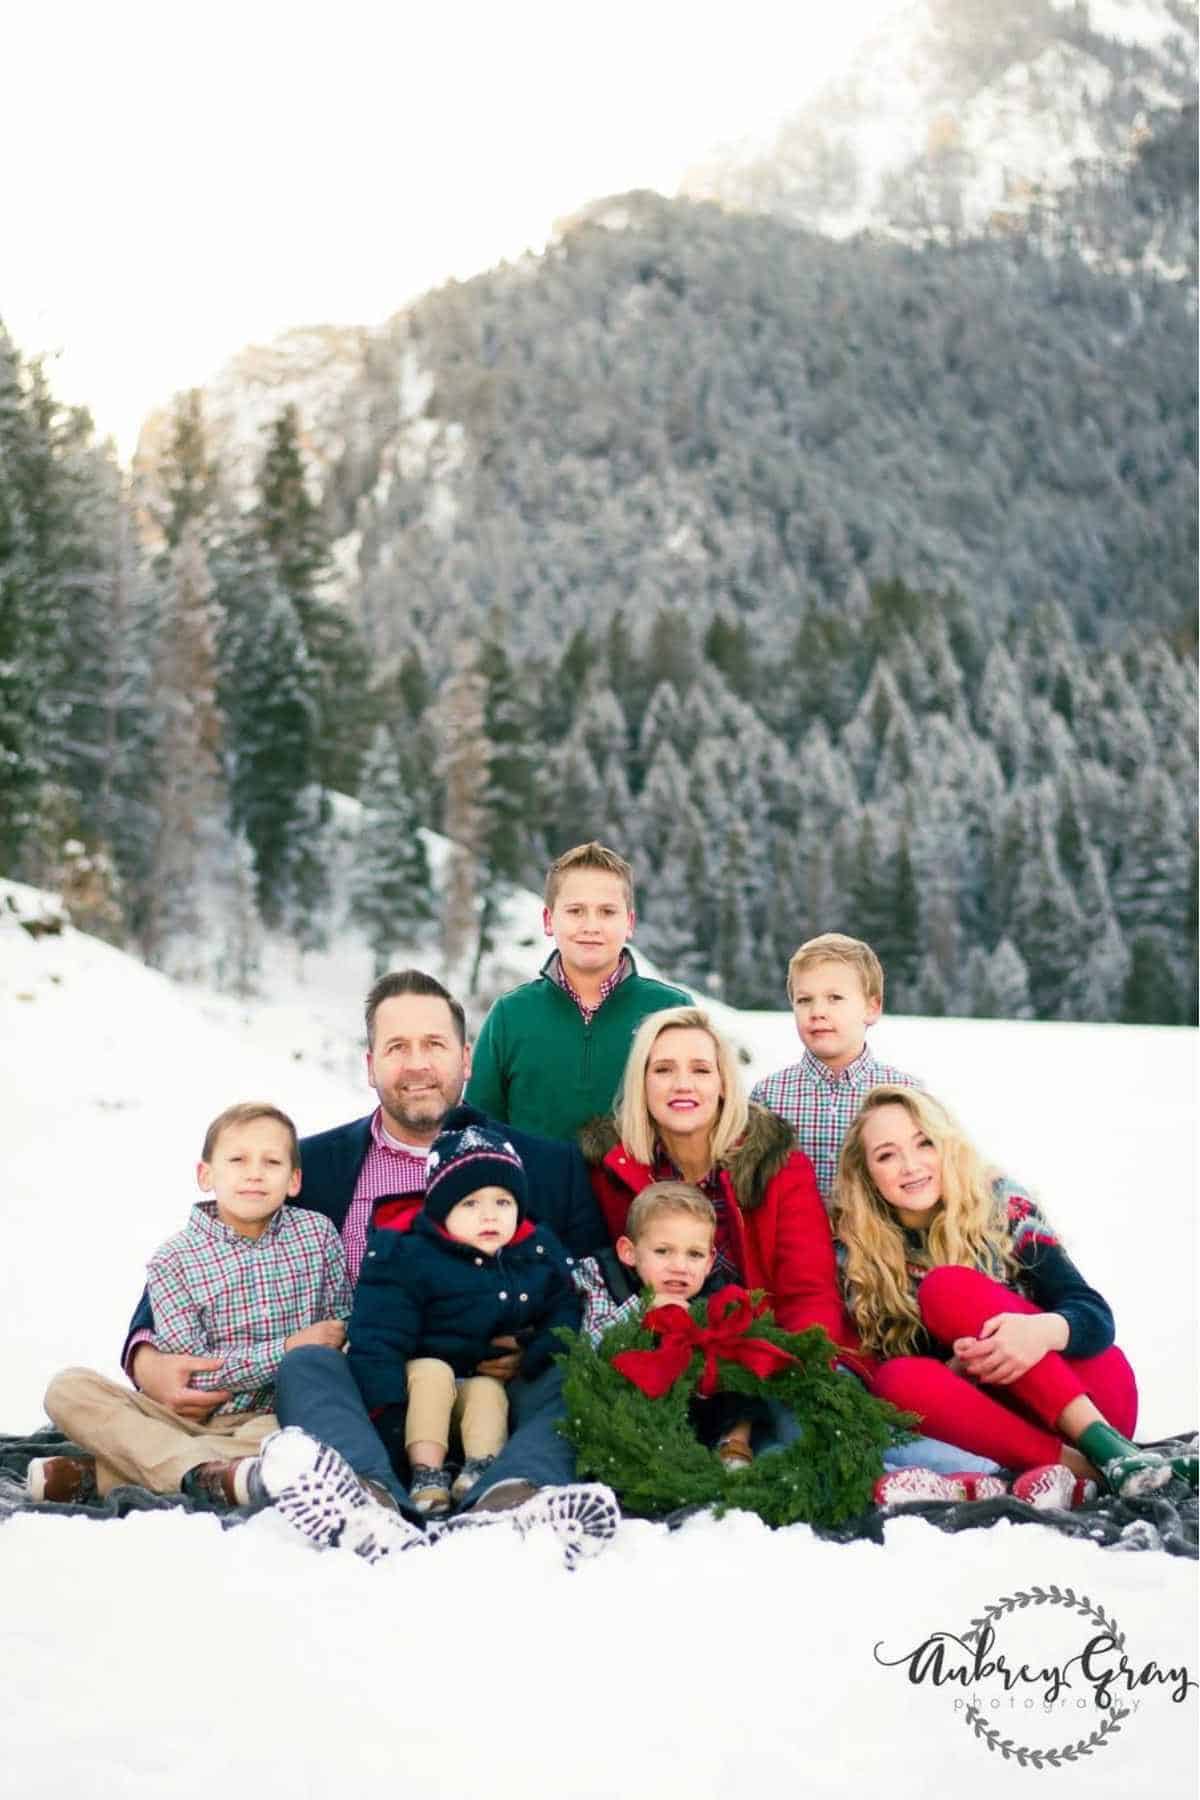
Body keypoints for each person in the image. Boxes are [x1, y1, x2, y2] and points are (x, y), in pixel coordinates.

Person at [119, 971, 613, 1547]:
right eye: (397, 1047)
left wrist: (532, 1340)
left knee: (575, 1372)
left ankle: (512, 1495)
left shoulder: (546, 1166)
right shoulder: (313, 1165)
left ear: (466, 1058)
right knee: (305, 1366)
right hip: (371, 1394)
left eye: (434, 1045)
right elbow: (208, 1249)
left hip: (501, 1394)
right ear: (370, 1063)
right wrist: (146, 1354)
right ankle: (365, 1496)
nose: (418, 1063)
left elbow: (591, 1281)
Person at [833, 1085, 1195, 1508]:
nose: (911, 1166)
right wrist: (957, 1366)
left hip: (1089, 1398)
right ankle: (1093, 1470)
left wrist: (1037, 1332)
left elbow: (1094, 1317)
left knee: (947, 1289)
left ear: (946, 1145)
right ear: (867, 1174)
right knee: (896, 1381)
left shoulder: (1001, 1205)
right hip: (998, 1424)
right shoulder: (858, 1251)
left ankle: (1107, 1449)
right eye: (887, 1155)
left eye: (923, 1143)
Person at [32, 1104, 351, 1509]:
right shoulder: (174, 1261)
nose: (254, 1173)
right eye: (237, 1160)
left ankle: (108, 1473)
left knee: (302, 1440)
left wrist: (317, 1349)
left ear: (293, 1179)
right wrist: (290, 1349)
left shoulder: (317, 1236)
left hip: (276, 1414)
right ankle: (206, 1472)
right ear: (206, 1175)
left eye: (271, 1162)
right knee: (69, 1389)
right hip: (190, 1419)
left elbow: (338, 1326)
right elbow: (196, 1377)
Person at [581, 1004, 870, 1378]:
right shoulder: (615, 1171)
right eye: (663, 1070)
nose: (682, 1084)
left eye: (701, 1070)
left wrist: (797, 1370)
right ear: (642, 1083)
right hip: (661, 1359)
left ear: (722, 1084)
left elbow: (809, 1294)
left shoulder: (777, 1167)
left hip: (773, 1355)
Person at [349, 1110, 581, 1517]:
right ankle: (425, 1472)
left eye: (503, 1202)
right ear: (442, 1210)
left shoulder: (536, 1250)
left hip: (482, 1382)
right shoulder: (406, 1254)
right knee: (432, 1374)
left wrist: (539, 1346)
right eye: (470, 1203)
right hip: (416, 1390)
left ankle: (482, 1472)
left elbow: (564, 1303)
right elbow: (378, 1337)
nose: (490, 1215)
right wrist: (386, 1416)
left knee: (489, 1393)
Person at [465, 841, 691, 1143]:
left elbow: (696, 1124)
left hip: (642, 1190)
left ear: (630, 923)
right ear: (548, 920)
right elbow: (479, 1131)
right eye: (576, 911)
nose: (591, 926)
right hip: (535, 1189)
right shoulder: (510, 1015)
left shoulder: (671, 1010)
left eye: (607, 912)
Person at [574, 1180, 761, 1469]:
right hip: (632, 1406)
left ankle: (735, 1443)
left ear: (710, 1261)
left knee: (742, 1362)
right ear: (629, 1252)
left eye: (694, 1254)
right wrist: (643, 1312)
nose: (680, 1266)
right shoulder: (607, 1280)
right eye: (663, 1251)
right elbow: (590, 1344)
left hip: (699, 1406)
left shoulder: (716, 1294)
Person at [750, 933, 920, 1207]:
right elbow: (751, 1184)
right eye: (804, 1000)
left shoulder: (905, 1092)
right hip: (793, 1243)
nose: (817, 1011)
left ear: (872, 1008)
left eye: (835, 998)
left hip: (879, 1244)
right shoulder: (769, 1095)